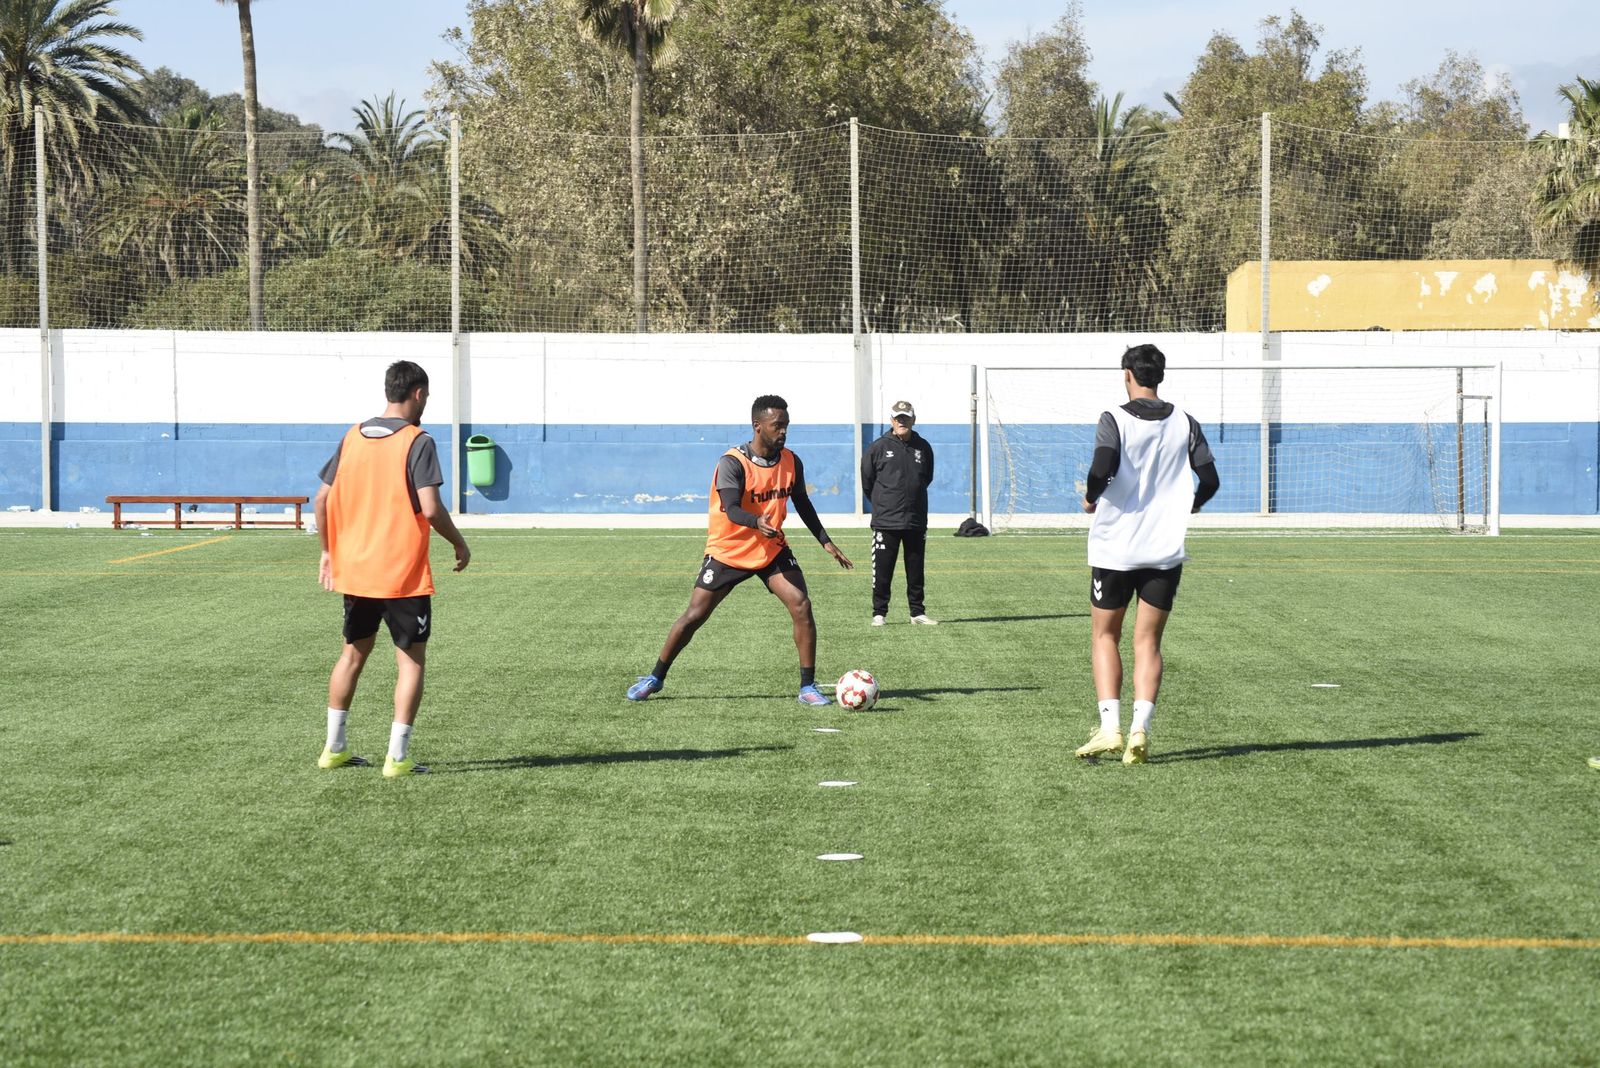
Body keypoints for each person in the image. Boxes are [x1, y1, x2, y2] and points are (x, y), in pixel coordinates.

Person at [627, 395, 854, 706]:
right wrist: (755, 521)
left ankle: (807, 687)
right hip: (728, 551)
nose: (783, 432)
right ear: (757, 426)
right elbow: (731, 508)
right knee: (694, 615)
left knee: (800, 604)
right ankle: (655, 677)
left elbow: (802, 502)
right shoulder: (732, 462)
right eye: (777, 426)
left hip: (770, 548)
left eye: (786, 426)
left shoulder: (791, 461)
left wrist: (826, 541)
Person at [313, 360, 471, 777]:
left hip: (358, 572)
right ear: (418, 393)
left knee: (351, 655)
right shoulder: (418, 441)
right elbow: (432, 507)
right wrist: (459, 542)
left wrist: (328, 552)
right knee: (411, 661)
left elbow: (321, 499)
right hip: (401, 575)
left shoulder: (352, 436)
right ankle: (397, 757)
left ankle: (334, 748)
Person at [1075, 344, 1219, 765]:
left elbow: (1102, 467)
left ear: (1127, 374)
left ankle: (1110, 729)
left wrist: (1090, 497)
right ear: (1160, 376)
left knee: (1105, 636)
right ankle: (1140, 729)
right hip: (1164, 551)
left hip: (1116, 548)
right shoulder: (1185, 422)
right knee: (1148, 641)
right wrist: (1191, 505)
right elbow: (1209, 478)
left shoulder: (1114, 418)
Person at [862, 399, 937, 626]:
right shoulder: (878, 447)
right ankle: (879, 613)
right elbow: (868, 481)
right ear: (892, 420)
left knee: (916, 571)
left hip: (915, 519)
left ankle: (917, 612)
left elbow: (927, 478)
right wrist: (883, 504)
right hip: (886, 520)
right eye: (898, 418)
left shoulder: (923, 447)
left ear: (913, 419)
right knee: (883, 571)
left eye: (906, 418)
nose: (902, 421)